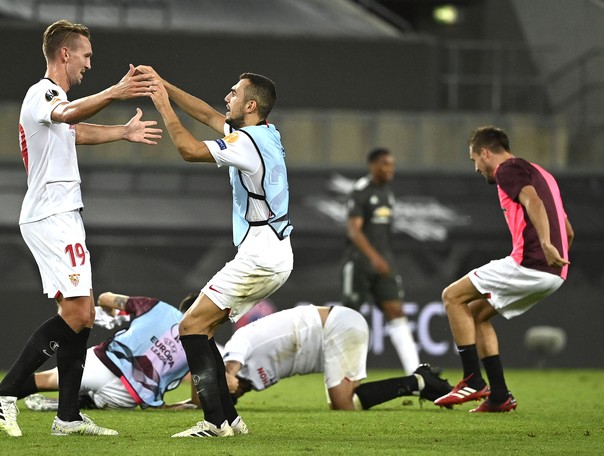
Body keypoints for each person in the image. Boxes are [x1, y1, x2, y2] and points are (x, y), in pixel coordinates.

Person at [0, 20, 162, 438]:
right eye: (86, 56)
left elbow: (73, 129)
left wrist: (123, 131)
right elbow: (68, 114)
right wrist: (117, 92)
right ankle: (6, 392)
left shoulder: (57, 101)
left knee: (79, 317)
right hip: (50, 214)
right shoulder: (44, 93)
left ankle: (67, 418)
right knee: (80, 313)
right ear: (65, 53)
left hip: (64, 213)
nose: (88, 64)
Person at [140, 66, 294, 437]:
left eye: (234, 93)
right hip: (273, 251)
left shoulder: (247, 143)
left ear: (251, 104)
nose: (227, 97)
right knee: (203, 329)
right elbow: (208, 115)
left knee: (189, 326)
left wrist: (162, 104)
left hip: (261, 254)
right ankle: (229, 418)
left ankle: (213, 422)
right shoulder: (264, 134)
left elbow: (189, 150)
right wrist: (165, 83)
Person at [434, 126, 574, 413]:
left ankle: (473, 380)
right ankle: (499, 396)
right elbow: (568, 230)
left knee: (452, 297)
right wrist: (557, 249)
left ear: (485, 152)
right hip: (554, 274)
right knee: (477, 315)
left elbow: (533, 201)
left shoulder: (507, 170)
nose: (476, 168)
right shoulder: (541, 172)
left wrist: (545, 244)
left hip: (530, 263)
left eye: (474, 159)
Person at [177, 304, 451, 411]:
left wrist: (228, 374)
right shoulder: (244, 369)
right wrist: (185, 403)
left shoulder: (237, 344)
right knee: (345, 402)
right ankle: (419, 382)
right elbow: (207, 397)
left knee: (343, 405)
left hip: (336, 325)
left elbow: (228, 370)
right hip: (334, 332)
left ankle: (418, 382)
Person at [0, 292, 191, 412]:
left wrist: (110, 312)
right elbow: (205, 380)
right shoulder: (204, 342)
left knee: (42, 380)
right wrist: (189, 404)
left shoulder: (155, 306)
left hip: (102, 364)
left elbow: (104, 297)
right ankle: (79, 404)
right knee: (93, 403)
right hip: (129, 396)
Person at [341, 147, 420, 374]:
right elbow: (354, 231)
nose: (390, 169)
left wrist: (384, 257)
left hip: (384, 263)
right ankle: (344, 375)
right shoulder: (361, 191)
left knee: (396, 311)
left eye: (391, 164)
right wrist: (374, 257)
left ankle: (416, 373)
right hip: (359, 263)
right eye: (385, 164)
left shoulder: (387, 192)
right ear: (373, 165)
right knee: (350, 316)